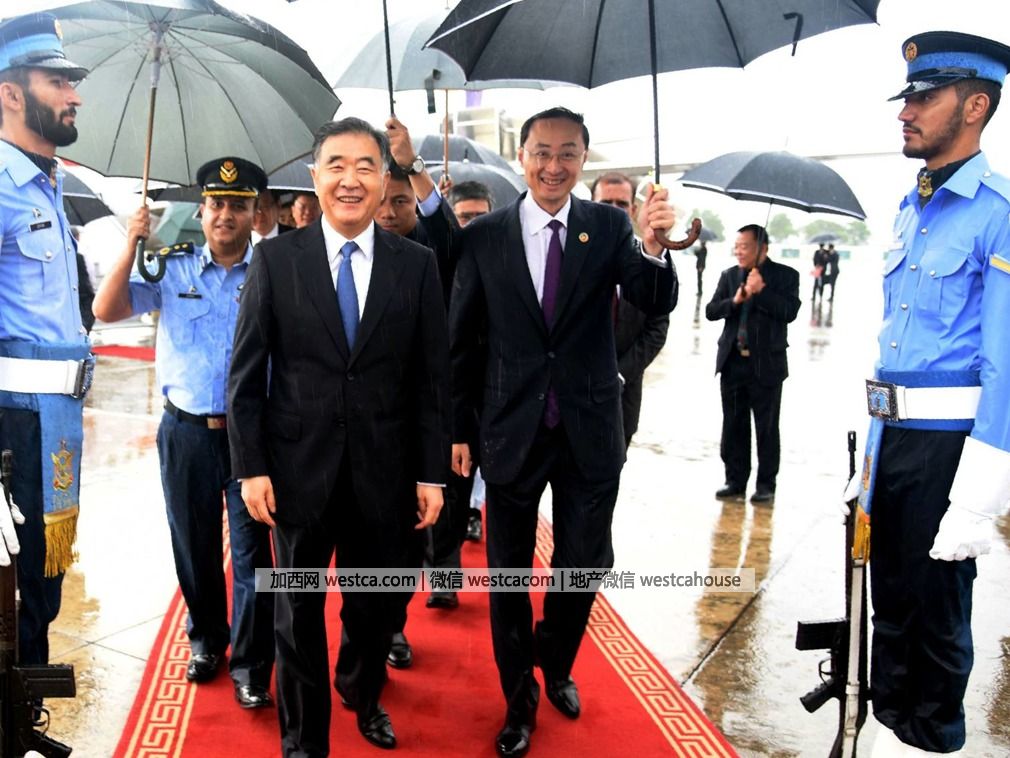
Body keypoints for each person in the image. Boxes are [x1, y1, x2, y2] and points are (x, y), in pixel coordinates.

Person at [449, 106, 678, 758]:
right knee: (507, 575)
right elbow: (461, 339)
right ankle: (518, 698)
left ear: (583, 159)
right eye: (542, 152)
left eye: (568, 153)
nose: (554, 166)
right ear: (522, 157)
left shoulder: (608, 226)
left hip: (590, 427)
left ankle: (556, 660)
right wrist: (459, 428)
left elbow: (651, 298)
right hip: (511, 430)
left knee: (580, 565)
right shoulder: (485, 235)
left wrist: (655, 246)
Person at [228, 117, 450, 754]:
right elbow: (245, 374)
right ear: (314, 177)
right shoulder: (276, 260)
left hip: (386, 473)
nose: (350, 180)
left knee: (375, 606)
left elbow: (431, 379)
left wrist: (431, 473)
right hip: (298, 474)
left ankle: (362, 688)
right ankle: (304, 743)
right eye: (336, 166)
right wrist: (251, 468)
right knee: (296, 613)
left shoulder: (417, 265)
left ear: (384, 179)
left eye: (365, 166)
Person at [852, 32, 1010, 757]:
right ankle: (890, 728)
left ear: (975, 107)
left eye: (923, 98)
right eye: (906, 98)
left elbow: (1005, 362)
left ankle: (934, 740)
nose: (905, 112)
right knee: (889, 603)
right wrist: (871, 455)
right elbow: (898, 342)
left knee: (937, 612)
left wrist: (980, 495)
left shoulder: (998, 212)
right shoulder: (910, 207)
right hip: (892, 439)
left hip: (950, 447)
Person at [92, 157, 276, 709]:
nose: (225, 215)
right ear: (202, 211)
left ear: (255, 214)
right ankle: (207, 641)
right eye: (216, 204)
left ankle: (252, 665)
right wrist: (132, 241)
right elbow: (106, 308)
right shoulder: (171, 268)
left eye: (238, 205)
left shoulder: (272, 273)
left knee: (254, 557)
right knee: (193, 545)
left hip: (250, 437)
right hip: (186, 432)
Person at [0, 13, 91, 684]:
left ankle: (21, 707)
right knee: (13, 588)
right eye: (57, 81)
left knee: (43, 581)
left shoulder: (47, 182)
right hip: (12, 424)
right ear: (10, 93)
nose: (73, 95)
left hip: (54, 422)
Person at [705, 224, 800, 504]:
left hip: (766, 366)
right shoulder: (729, 275)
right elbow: (711, 311)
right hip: (733, 363)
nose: (738, 251)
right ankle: (735, 481)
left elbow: (789, 312)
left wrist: (761, 291)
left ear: (763, 249)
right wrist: (734, 301)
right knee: (733, 426)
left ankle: (766, 485)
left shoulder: (786, 276)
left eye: (744, 246)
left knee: (766, 428)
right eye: (736, 246)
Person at [590, 171, 670, 448]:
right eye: (606, 203)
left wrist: (620, 374)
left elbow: (657, 328)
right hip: (568, 402)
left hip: (623, 400)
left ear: (634, 210)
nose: (614, 210)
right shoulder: (564, 255)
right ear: (590, 205)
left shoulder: (649, 259)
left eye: (621, 204)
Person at [446, 179, 494, 542]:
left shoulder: (506, 258)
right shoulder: (437, 256)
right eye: (465, 217)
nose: (474, 225)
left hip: (496, 390)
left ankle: (474, 511)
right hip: (448, 391)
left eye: (481, 216)